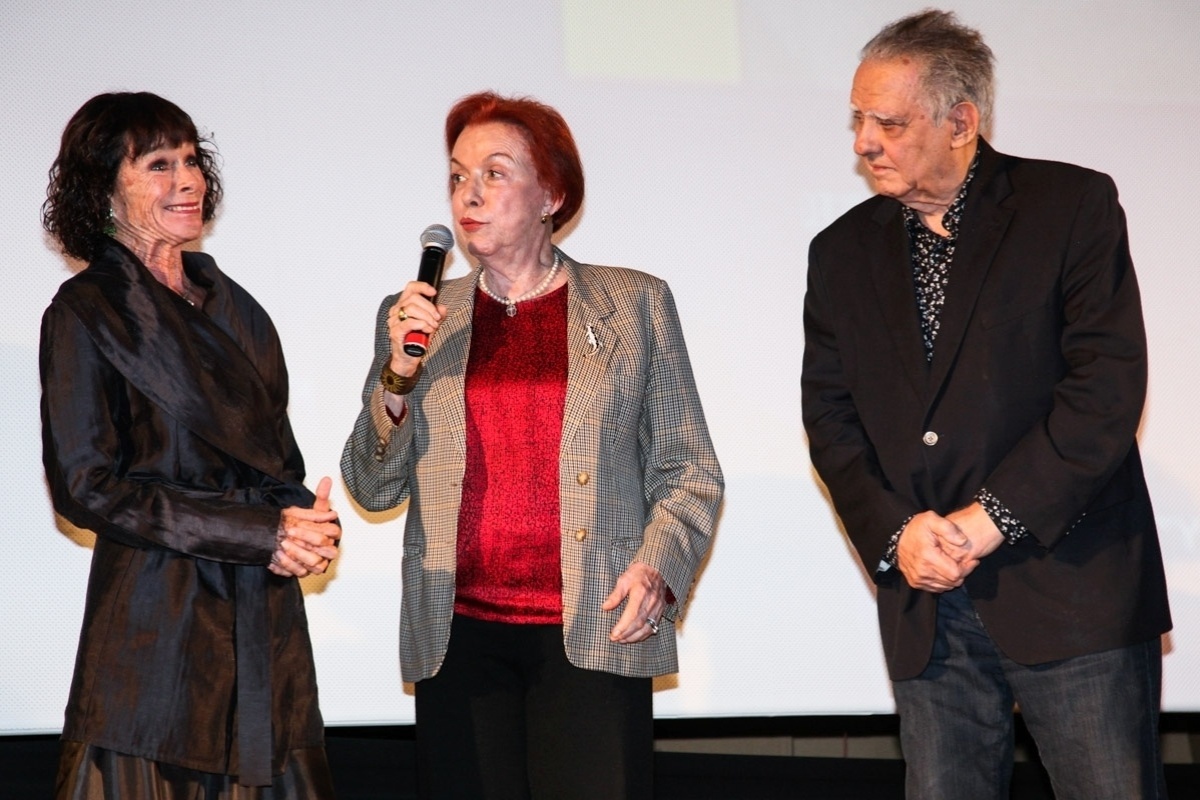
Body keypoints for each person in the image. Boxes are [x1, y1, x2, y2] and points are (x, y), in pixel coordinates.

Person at [801, 10, 1171, 799]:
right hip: (929, 606)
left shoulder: (1069, 206)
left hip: (1071, 588)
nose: (865, 141)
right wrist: (897, 532)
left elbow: (1104, 390)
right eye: (858, 120)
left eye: (889, 122)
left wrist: (991, 517)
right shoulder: (840, 252)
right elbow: (830, 422)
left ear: (961, 121)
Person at [341, 91, 723, 799]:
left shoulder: (634, 304)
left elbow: (690, 470)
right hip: (458, 635)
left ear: (551, 193)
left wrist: (658, 569)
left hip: (593, 629)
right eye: (457, 176)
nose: (469, 194)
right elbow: (371, 485)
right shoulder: (423, 320)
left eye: (494, 173)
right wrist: (398, 376)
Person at [40, 92, 341, 798]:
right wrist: (259, 531)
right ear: (102, 189)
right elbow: (86, 488)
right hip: (155, 636)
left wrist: (304, 526)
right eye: (158, 164)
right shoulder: (85, 313)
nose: (188, 180)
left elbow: (276, 465)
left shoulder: (236, 308)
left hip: (261, 631)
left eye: (192, 160)